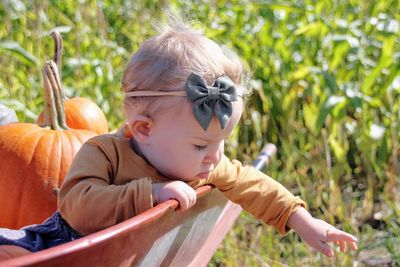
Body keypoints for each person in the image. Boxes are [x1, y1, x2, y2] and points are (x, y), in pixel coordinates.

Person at [0, 17, 357, 259]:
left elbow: (253, 185)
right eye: (202, 145)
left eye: (222, 142)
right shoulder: (105, 152)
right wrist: (150, 194)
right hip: (63, 246)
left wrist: (303, 221)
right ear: (144, 129)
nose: (215, 157)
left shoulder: (203, 166)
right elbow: (77, 205)